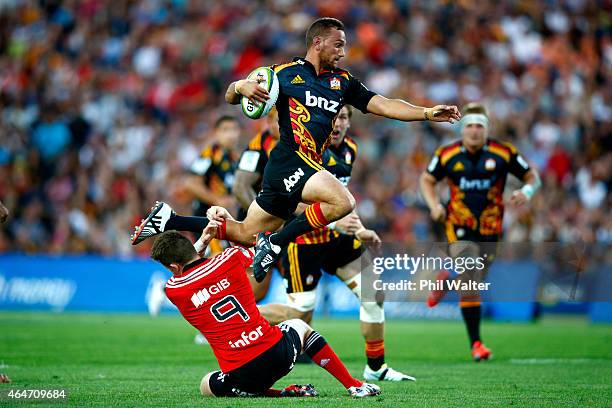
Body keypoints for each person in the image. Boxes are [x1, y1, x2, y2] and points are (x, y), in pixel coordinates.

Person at [131, 17, 460, 283]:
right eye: (338, 44)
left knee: (245, 233)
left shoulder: (343, 82)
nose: (343, 52)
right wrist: (240, 86)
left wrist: (427, 113)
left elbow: (385, 104)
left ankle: (167, 218)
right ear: (318, 42)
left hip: (291, 169)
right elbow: (233, 96)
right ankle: (275, 243)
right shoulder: (284, 74)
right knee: (342, 201)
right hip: (292, 159)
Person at [258, 106, 414, 381]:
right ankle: (243, 315)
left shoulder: (350, 149)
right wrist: (332, 221)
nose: (337, 123)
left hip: (337, 240)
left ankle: (376, 368)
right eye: (333, 117)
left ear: (349, 123)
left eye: (343, 117)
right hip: (303, 242)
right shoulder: (304, 150)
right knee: (299, 315)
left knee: (373, 294)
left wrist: (360, 229)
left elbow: (342, 200)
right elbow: (287, 202)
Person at [151, 227, 381, 398]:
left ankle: (278, 393)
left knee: (205, 384)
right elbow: (261, 255)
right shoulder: (231, 258)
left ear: (172, 267)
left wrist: (200, 243)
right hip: (277, 356)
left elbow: (186, 271)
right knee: (299, 325)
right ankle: (353, 385)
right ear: (190, 248)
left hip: (241, 376)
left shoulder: (174, 290)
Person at [419, 102, 541, 361]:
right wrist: (434, 206)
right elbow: (427, 180)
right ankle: (477, 344)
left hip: (491, 227)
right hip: (458, 224)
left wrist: (526, 192)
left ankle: (446, 281)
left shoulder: (503, 153)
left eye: (479, 126)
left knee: (473, 279)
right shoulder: (446, 154)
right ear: (462, 130)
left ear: (486, 130)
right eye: (470, 126)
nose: (474, 131)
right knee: (470, 272)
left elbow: (532, 176)